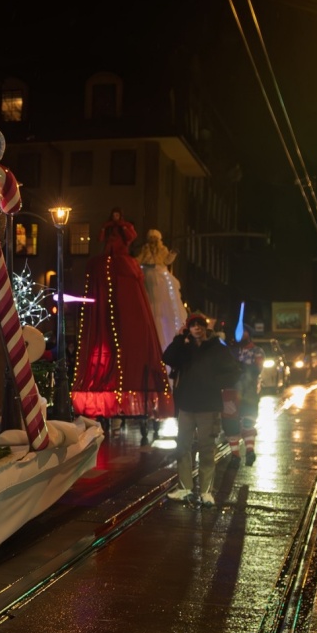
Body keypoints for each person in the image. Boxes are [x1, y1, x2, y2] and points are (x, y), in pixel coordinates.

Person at [72, 208, 174, 422]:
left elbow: (128, 236)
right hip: (116, 275)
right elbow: (103, 236)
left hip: (125, 278)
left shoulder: (125, 261)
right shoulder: (109, 260)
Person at [162, 313, 240, 507]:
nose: (197, 328)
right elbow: (167, 357)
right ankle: (185, 488)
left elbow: (234, 371)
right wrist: (180, 338)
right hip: (187, 405)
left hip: (208, 406)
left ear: (206, 328)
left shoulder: (216, 348)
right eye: (193, 325)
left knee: (206, 448)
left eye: (200, 325)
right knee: (183, 446)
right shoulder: (185, 348)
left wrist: (214, 384)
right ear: (189, 328)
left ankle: (206, 492)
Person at [136, 229, 187, 348]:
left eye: (155, 238)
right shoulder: (145, 249)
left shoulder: (163, 249)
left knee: (160, 297)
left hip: (159, 274)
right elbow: (139, 259)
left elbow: (167, 260)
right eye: (151, 238)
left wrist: (173, 254)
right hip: (147, 274)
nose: (153, 241)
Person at [226, 326, 264, 465]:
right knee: (231, 424)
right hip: (230, 392)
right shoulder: (230, 351)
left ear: (249, 333)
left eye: (244, 331)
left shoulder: (257, 350)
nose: (240, 334)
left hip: (249, 393)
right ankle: (235, 455)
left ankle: (249, 450)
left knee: (248, 422)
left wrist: (239, 366)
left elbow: (257, 369)